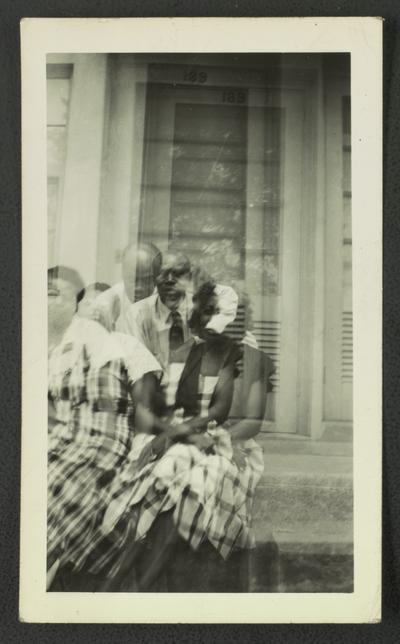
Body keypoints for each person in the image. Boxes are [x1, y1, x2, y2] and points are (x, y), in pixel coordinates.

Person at [84, 281, 268, 592]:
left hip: (233, 446)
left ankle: (136, 588)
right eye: (207, 310)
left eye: (224, 313)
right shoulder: (186, 353)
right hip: (186, 439)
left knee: (193, 486)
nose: (214, 319)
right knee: (158, 482)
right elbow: (167, 409)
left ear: (239, 319)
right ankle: (119, 584)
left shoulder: (251, 359)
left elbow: (250, 422)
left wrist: (214, 439)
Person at [46, 265, 168, 591]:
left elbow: (141, 411)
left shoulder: (123, 347)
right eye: (90, 306)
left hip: (98, 441)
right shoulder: (56, 348)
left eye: (102, 307)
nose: (95, 313)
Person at [117, 249, 239, 373]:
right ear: (154, 277)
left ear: (189, 277)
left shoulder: (203, 311)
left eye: (178, 273)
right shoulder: (136, 315)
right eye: (162, 273)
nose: (169, 279)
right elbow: (137, 368)